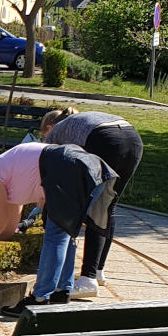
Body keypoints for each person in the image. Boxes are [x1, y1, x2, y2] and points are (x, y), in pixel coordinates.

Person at [0, 141, 117, 316]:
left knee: (55, 235)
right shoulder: (8, 165)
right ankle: (61, 291)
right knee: (65, 231)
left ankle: (39, 298)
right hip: (92, 167)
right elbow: (9, 225)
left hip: (70, 170)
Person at [39, 107, 143, 297]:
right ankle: (97, 272)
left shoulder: (55, 134)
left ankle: (88, 280)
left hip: (105, 140)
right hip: (133, 140)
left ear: (49, 127)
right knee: (107, 206)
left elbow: (52, 180)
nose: (44, 139)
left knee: (96, 208)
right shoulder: (79, 123)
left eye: (43, 134)